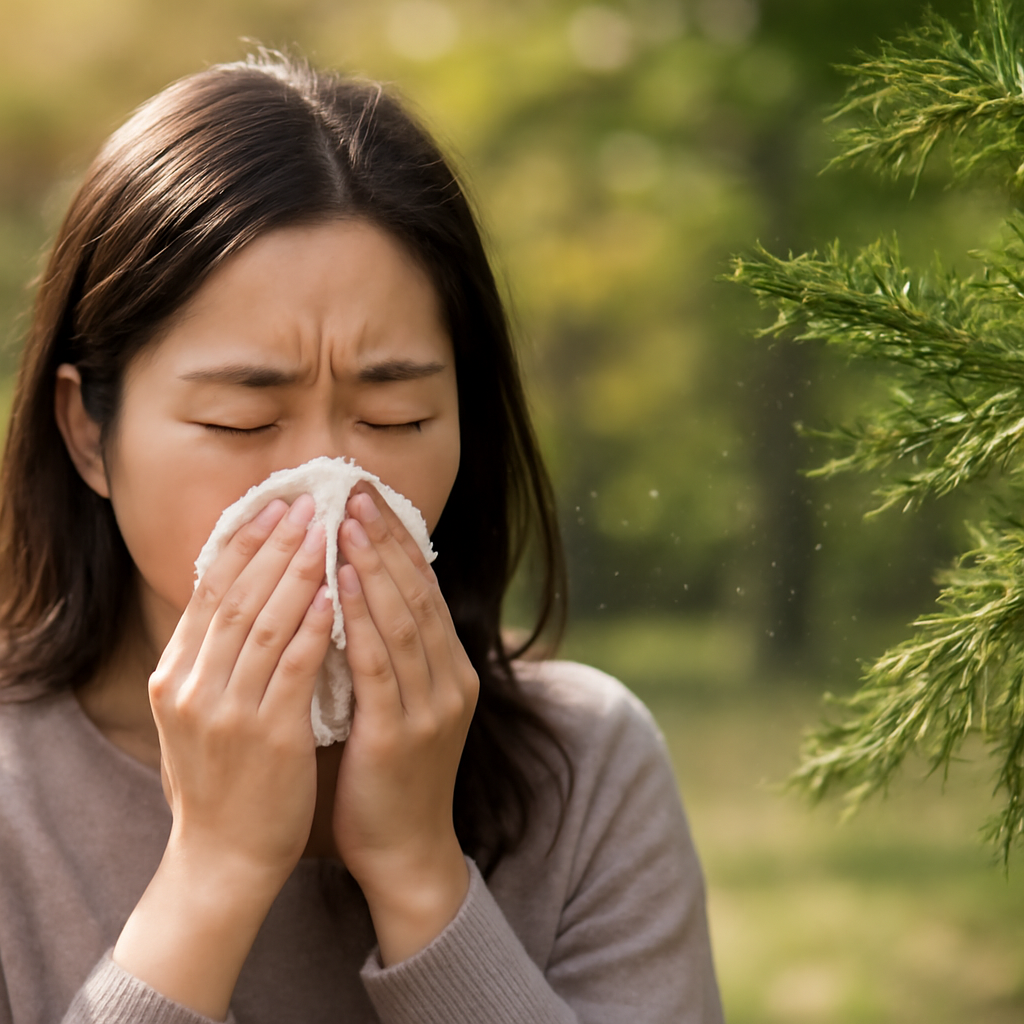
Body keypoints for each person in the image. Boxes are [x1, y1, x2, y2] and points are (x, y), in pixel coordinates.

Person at [0, 54, 723, 1024]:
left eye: (394, 418)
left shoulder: (585, 767)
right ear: (89, 432)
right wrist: (212, 876)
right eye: (241, 421)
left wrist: (420, 873)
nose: (328, 492)